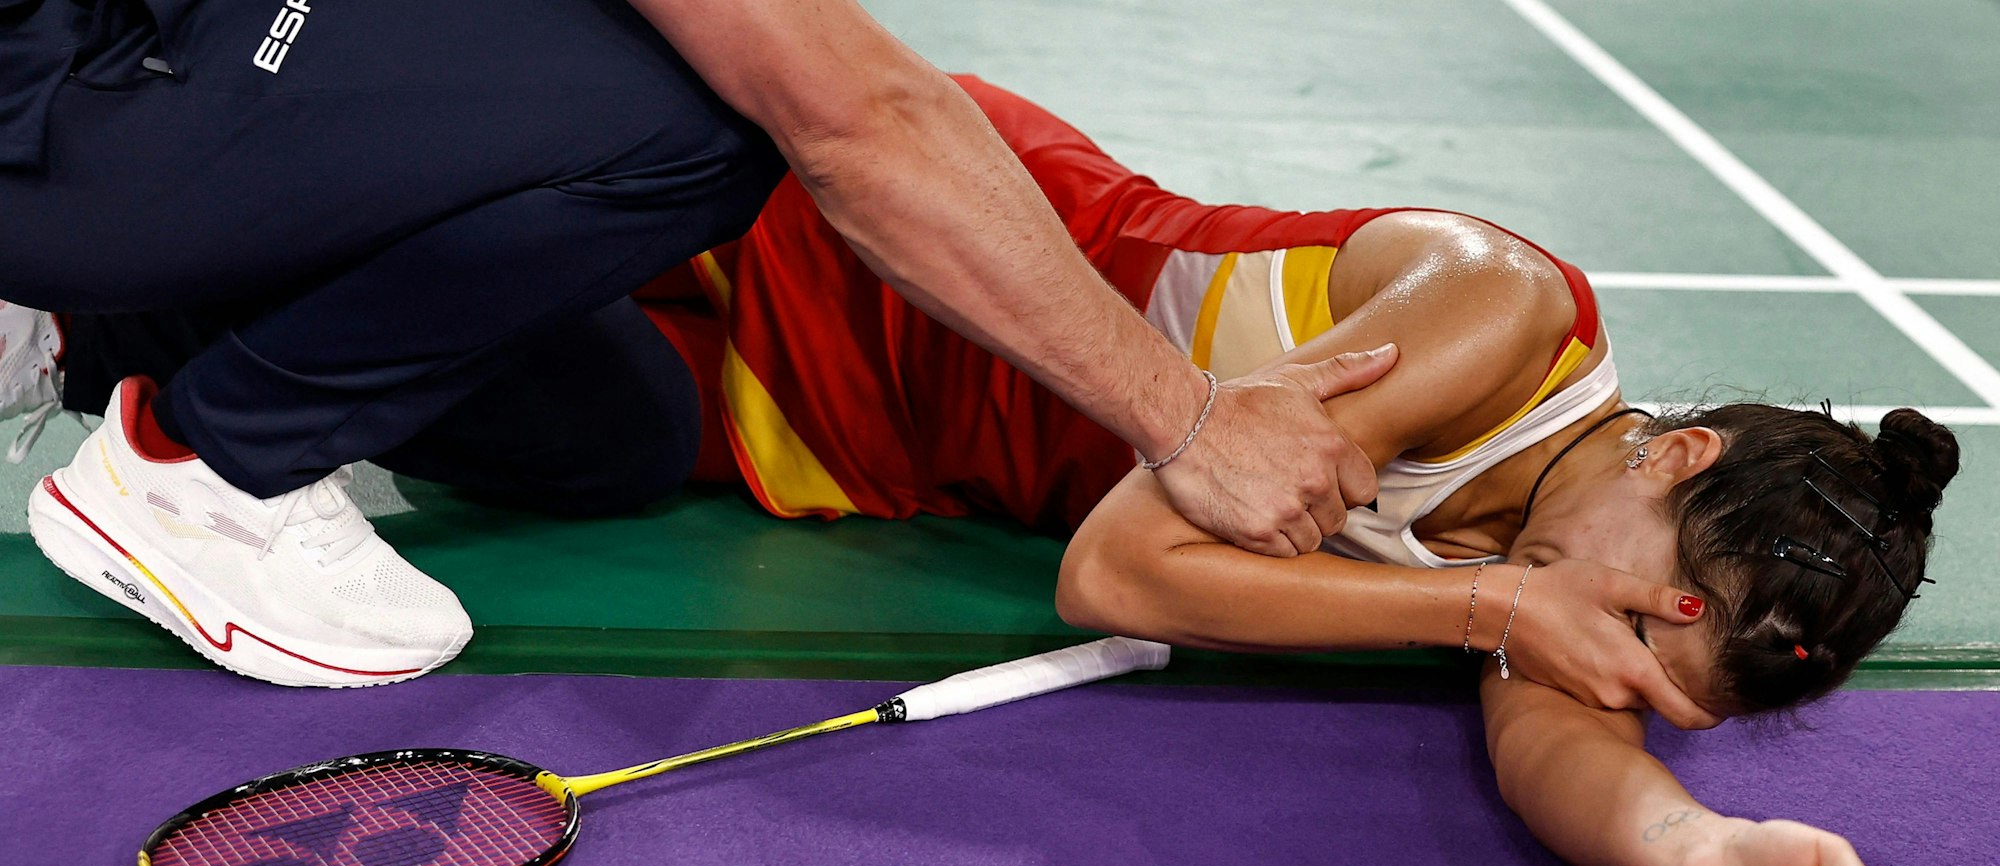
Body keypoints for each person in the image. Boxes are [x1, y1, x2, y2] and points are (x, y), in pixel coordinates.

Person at [623, 77, 1954, 866]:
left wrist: (1691, 845)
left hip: (869, 442)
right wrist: (1486, 604)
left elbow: (1559, 744)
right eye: (1648, 613)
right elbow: (1113, 571)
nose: (1608, 652)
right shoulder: (1500, 314)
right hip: (910, 247)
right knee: (481, 208)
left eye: (1660, 677)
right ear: (1676, 455)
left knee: (489, 406)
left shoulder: (1557, 587)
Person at [1, 0, 1458, 686]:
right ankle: (204, 467)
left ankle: (96, 318)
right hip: (54, 85)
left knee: (613, 434)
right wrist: (1189, 414)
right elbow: (857, 116)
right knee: (702, 118)